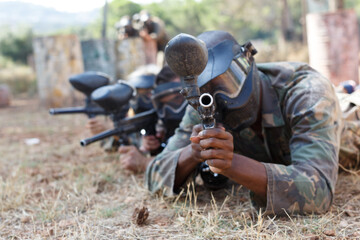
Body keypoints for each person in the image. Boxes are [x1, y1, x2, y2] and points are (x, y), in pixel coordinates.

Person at [145, 30, 349, 216]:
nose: (220, 100)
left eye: (228, 84)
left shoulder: (306, 93)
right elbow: (154, 174)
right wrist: (195, 152)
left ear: (249, 61)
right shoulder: (205, 106)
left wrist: (231, 163)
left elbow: (318, 192)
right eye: (207, 92)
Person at [118, 65, 187, 173]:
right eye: (140, 94)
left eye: (177, 99)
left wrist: (145, 163)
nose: (171, 110)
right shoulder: (161, 124)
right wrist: (147, 145)